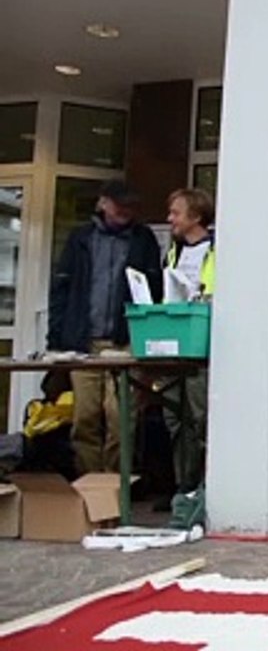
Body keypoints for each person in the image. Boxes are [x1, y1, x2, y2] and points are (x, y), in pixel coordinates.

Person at [48, 180, 162, 475]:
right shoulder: (80, 238)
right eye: (119, 204)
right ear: (103, 203)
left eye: (130, 205)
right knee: (85, 418)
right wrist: (56, 340)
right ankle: (90, 486)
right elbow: (61, 289)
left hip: (125, 342)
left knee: (121, 418)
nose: (125, 210)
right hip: (82, 343)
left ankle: (115, 486)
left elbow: (154, 293)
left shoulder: (143, 239)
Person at [162, 188, 215, 497]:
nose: (170, 219)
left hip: (202, 346)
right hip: (173, 343)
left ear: (195, 216)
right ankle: (183, 487)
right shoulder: (173, 252)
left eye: (176, 213)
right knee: (174, 417)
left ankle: (205, 487)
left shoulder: (218, 250)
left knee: (200, 417)